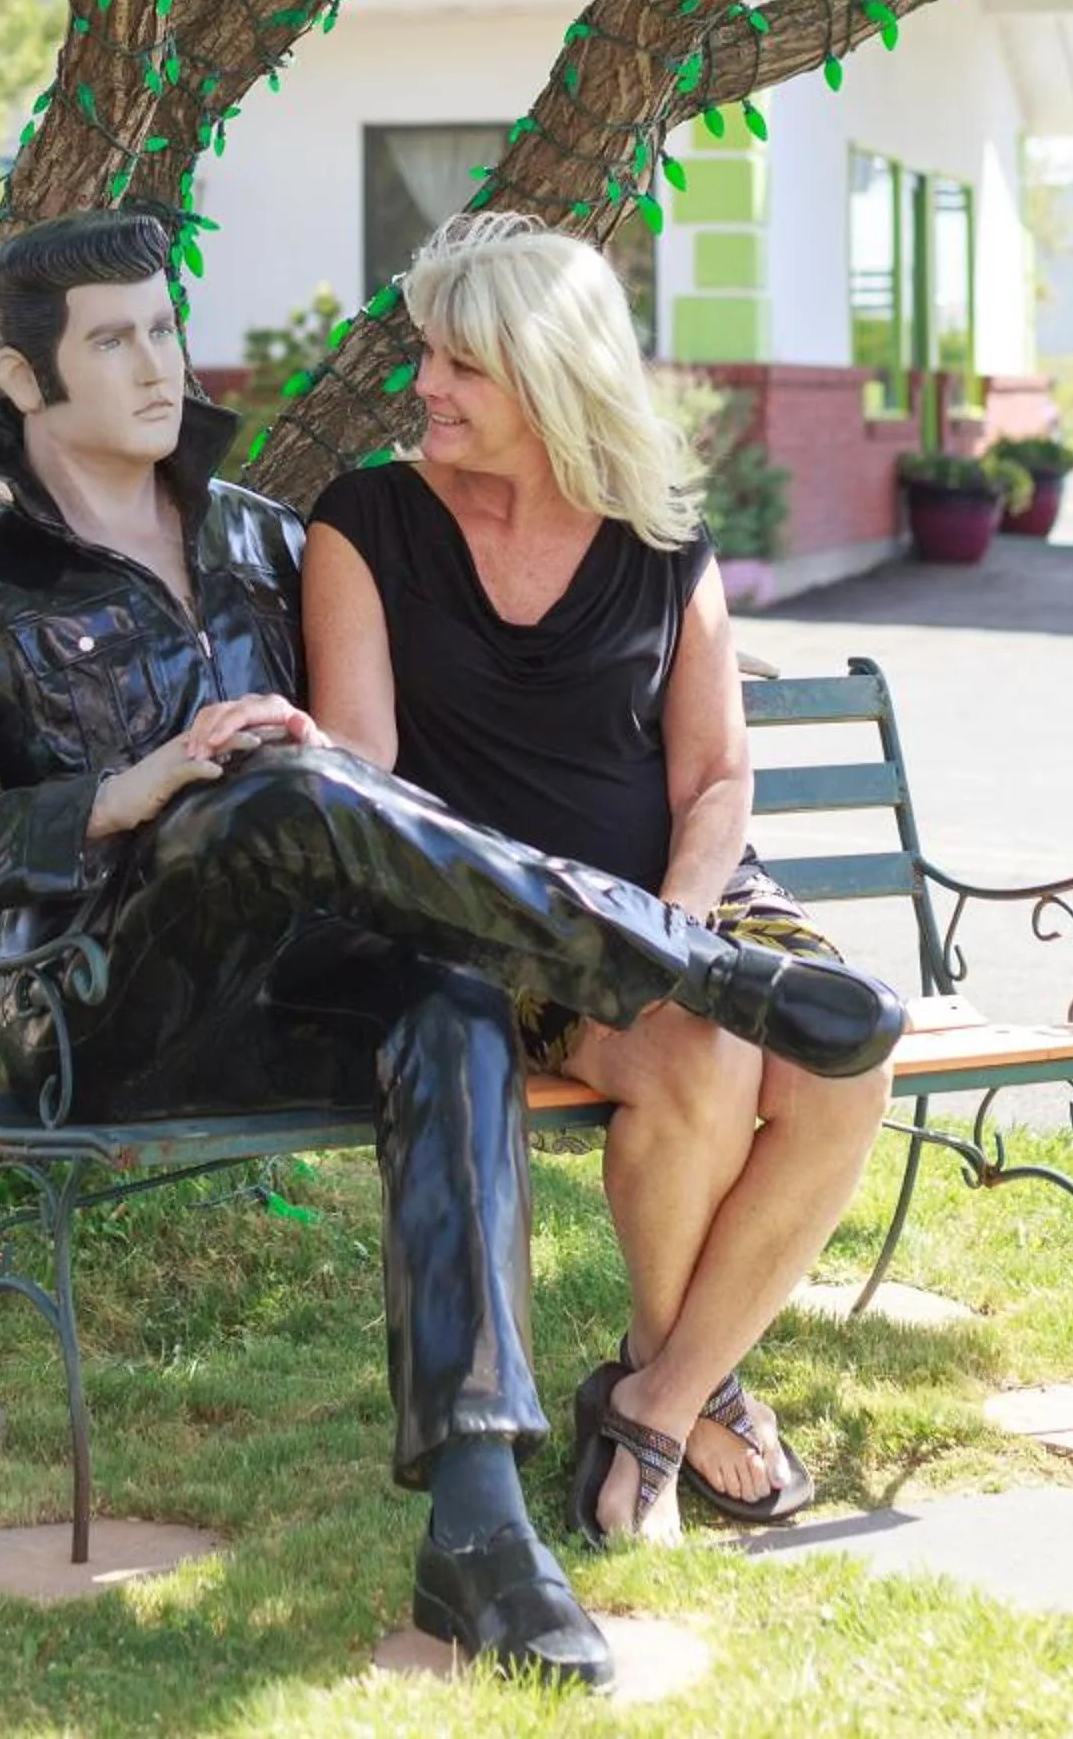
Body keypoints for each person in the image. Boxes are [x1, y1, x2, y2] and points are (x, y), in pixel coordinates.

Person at [0, 208, 902, 1692]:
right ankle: (691, 965)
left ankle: (482, 1530)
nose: (155, 364)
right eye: (110, 340)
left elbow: (453, 772)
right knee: (292, 781)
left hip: (305, 980)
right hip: (100, 1012)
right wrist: (121, 796)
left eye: (162, 327)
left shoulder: (267, 542)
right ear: (19, 377)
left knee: (442, 989)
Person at [304, 213, 904, 1549]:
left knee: (844, 1057)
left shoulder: (657, 534)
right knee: (696, 1053)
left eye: (460, 365)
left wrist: (673, 926)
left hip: (686, 892)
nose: (425, 387)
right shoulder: (369, 523)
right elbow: (365, 773)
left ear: (549, 371)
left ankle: (653, 1402)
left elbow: (716, 781)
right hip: (497, 912)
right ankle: (686, 1414)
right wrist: (606, 942)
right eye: (427, 359)